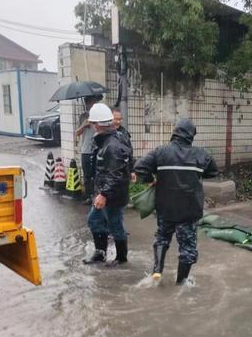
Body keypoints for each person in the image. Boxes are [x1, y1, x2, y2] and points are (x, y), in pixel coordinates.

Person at [134, 118, 218, 284]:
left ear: (175, 133)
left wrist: (151, 180)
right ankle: (181, 282)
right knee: (187, 248)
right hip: (189, 211)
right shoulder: (202, 154)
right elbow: (213, 172)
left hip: (165, 208)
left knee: (162, 237)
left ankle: (157, 271)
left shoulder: (160, 152)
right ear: (191, 136)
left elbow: (139, 167)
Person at [83, 103, 132, 267]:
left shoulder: (112, 144)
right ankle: (100, 253)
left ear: (97, 124)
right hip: (104, 191)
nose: (92, 126)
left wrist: (104, 194)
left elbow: (115, 174)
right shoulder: (108, 139)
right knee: (95, 220)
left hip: (111, 195)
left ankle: (121, 258)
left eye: (92, 124)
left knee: (115, 224)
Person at [76, 95, 103, 205]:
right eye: (88, 103)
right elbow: (77, 133)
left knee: (98, 174)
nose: (90, 105)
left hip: (98, 149)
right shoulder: (83, 116)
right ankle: (88, 196)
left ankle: (98, 195)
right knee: (87, 175)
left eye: (92, 102)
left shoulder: (100, 116)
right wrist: (83, 125)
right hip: (86, 150)